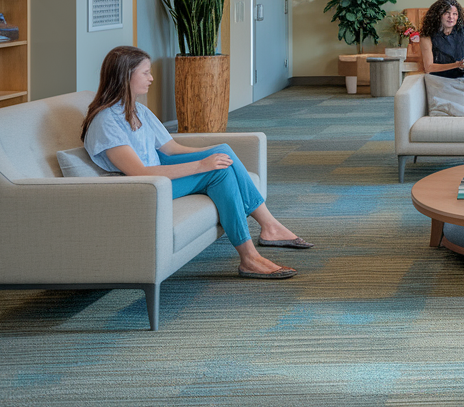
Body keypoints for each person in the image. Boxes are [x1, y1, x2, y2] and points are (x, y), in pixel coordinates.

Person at [82, 46, 310, 280]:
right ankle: (251, 256)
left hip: (157, 176)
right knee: (218, 173)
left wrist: (212, 155)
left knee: (222, 153)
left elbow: (171, 148)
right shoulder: (106, 121)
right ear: (124, 76)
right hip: (143, 187)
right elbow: (138, 172)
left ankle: (269, 227)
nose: (151, 78)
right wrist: (202, 166)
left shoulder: (136, 109)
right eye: (146, 73)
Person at [419, 0, 464, 80]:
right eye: (447, 13)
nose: (451, 17)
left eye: (455, 14)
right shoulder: (426, 36)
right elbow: (429, 67)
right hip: (440, 77)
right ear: (438, 15)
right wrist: (457, 65)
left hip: (463, 74)